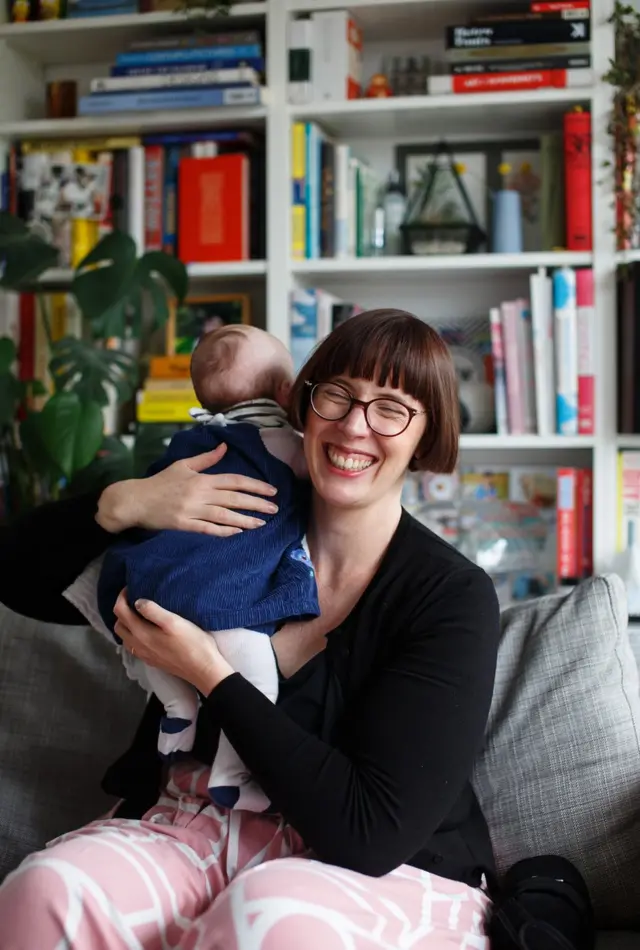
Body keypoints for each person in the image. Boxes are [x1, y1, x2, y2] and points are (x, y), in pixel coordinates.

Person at [0, 309, 501, 949]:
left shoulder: (448, 595)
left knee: (266, 916)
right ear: (298, 404)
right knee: (46, 891)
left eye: (391, 409)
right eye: (338, 396)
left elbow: (370, 833)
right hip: (198, 834)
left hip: (382, 870)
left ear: (426, 436)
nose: (354, 426)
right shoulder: (223, 519)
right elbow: (17, 581)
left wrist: (209, 673)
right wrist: (125, 503)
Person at [67, 323, 317, 812]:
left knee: (149, 647)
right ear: (288, 392)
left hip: (154, 585)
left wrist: (132, 499)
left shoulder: (188, 443)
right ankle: (230, 771)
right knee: (252, 683)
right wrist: (120, 502)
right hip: (227, 599)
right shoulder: (287, 445)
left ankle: (177, 706)